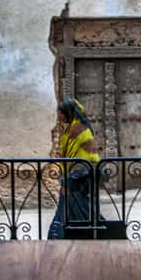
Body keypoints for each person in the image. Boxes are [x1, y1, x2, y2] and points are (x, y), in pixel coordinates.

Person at [47, 97, 100, 239]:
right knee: (79, 211)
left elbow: (87, 158)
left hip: (78, 178)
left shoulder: (80, 130)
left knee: (76, 210)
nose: (60, 116)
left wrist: (71, 180)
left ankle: (57, 236)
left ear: (69, 112)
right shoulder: (72, 128)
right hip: (72, 178)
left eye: (62, 113)